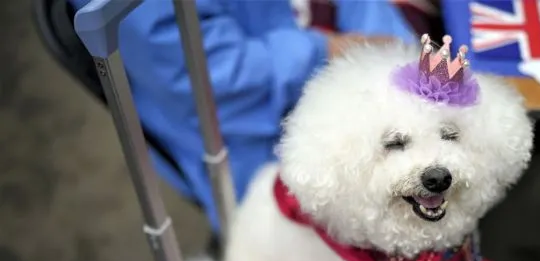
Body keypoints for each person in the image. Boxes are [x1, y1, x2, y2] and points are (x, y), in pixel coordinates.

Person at [69, 0, 434, 233]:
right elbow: (208, 78)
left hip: (323, 48)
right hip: (247, 135)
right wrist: (332, 51)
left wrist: (395, 50)